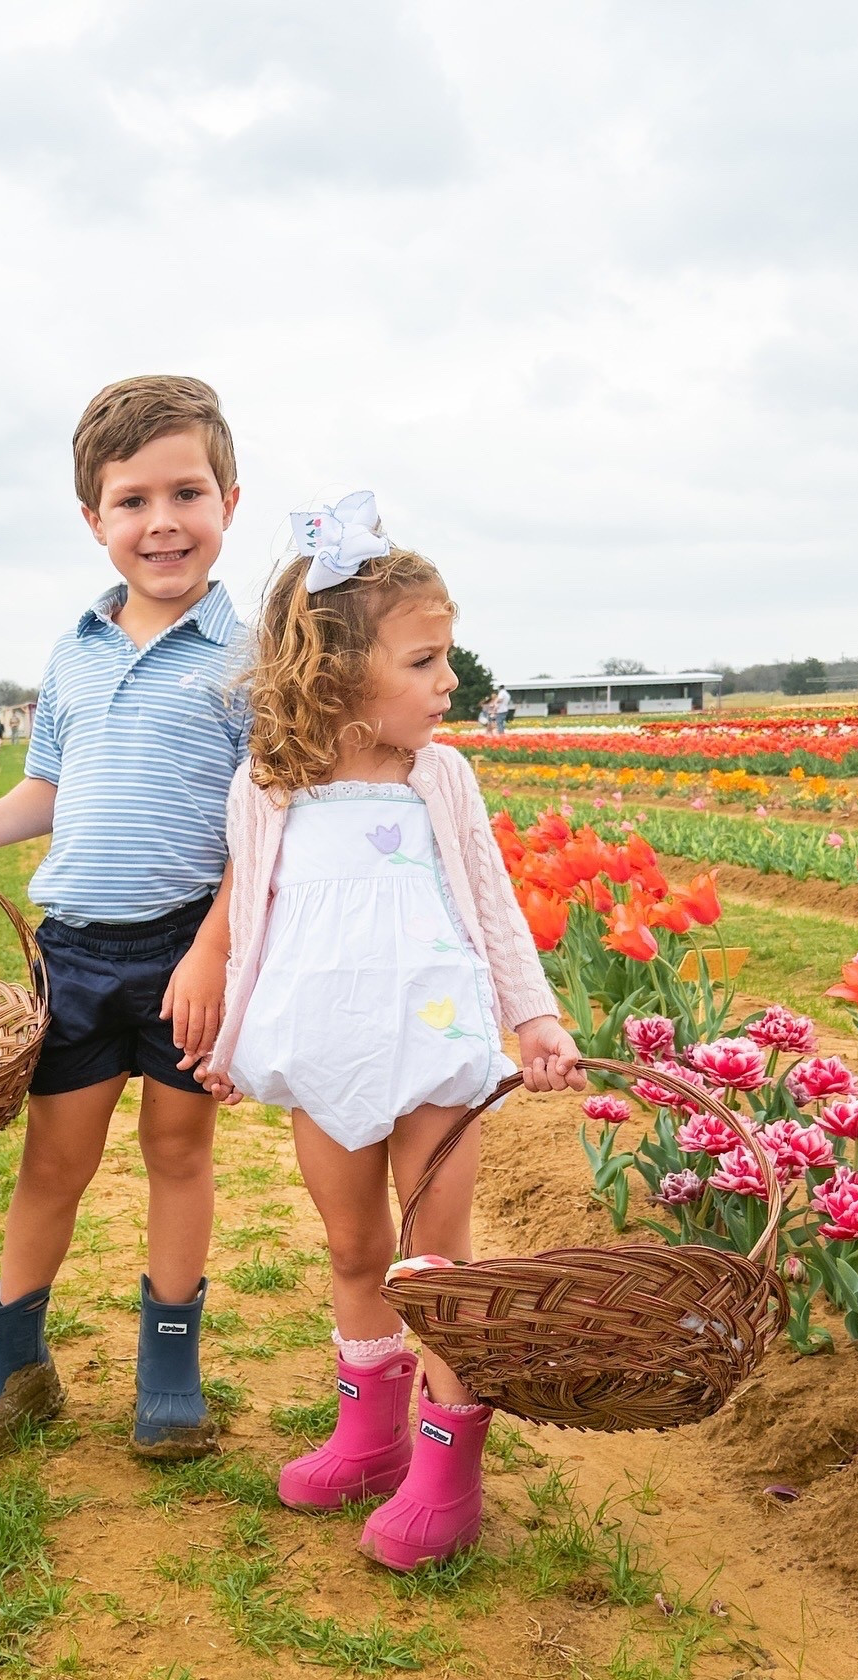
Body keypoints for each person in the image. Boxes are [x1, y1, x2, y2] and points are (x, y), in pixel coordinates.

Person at [197, 492, 584, 1573]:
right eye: (424, 662)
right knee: (354, 1246)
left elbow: (493, 906)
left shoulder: (440, 779)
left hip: (434, 1043)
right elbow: (254, 925)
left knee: (433, 1263)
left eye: (444, 657)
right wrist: (229, 1043)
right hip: (324, 1047)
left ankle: (446, 1475)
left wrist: (533, 1014)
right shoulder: (269, 789)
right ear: (337, 675)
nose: (448, 683)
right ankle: (368, 1438)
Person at [0, 375, 247, 1466]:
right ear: (94, 520)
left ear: (229, 502)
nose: (162, 522)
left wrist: (212, 949)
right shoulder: (72, 654)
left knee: (177, 1147)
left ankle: (169, 1366)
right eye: (132, 500)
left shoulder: (250, 664)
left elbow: (265, 830)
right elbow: (49, 788)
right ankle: (12, 1365)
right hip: (77, 951)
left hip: (188, 944)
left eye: (185, 492)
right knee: (54, 1161)